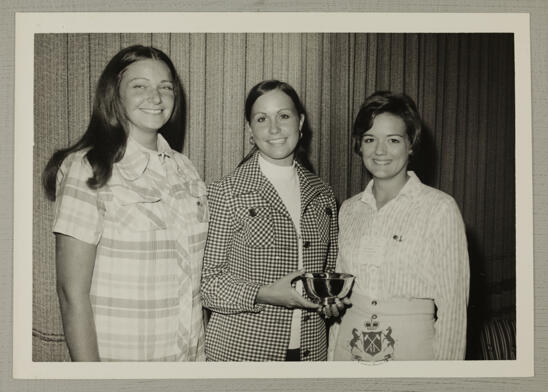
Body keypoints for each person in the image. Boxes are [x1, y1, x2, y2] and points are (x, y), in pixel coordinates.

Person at [42, 45, 208, 361]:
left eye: (165, 87)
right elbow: (70, 293)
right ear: (114, 95)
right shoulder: (87, 168)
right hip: (121, 363)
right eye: (139, 85)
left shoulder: (185, 169)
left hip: (189, 360)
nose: (156, 97)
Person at [201, 80, 340, 361]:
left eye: (284, 116)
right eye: (262, 118)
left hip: (312, 354)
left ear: (301, 122)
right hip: (242, 355)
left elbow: (328, 274)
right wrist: (264, 294)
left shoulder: (324, 194)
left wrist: (331, 302)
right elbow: (207, 285)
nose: (274, 128)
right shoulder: (226, 191)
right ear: (250, 130)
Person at [328, 91, 470, 361]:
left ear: (411, 144)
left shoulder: (439, 208)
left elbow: (453, 312)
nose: (380, 151)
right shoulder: (349, 209)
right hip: (349, 350)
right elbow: (341, 294)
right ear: (360, 145)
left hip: (412, 354)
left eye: (393, 140)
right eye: (370, 139)